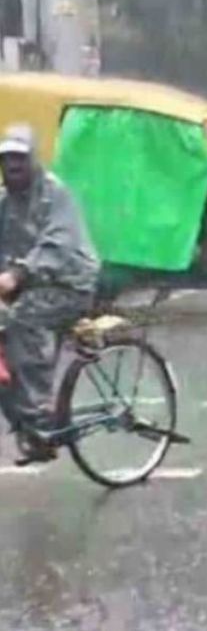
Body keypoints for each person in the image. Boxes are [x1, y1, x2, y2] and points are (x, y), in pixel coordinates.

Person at [0, 124, 99, 464]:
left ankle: (40, 412)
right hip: (30, 283)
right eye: (6, 159)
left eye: (19, 159)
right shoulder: (5, 201)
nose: (12, 167)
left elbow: (56, 245)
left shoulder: (55, 194)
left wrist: (17, 274)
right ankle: (24, 418)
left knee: (24, 318)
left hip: (70, 283)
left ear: (33, 159)